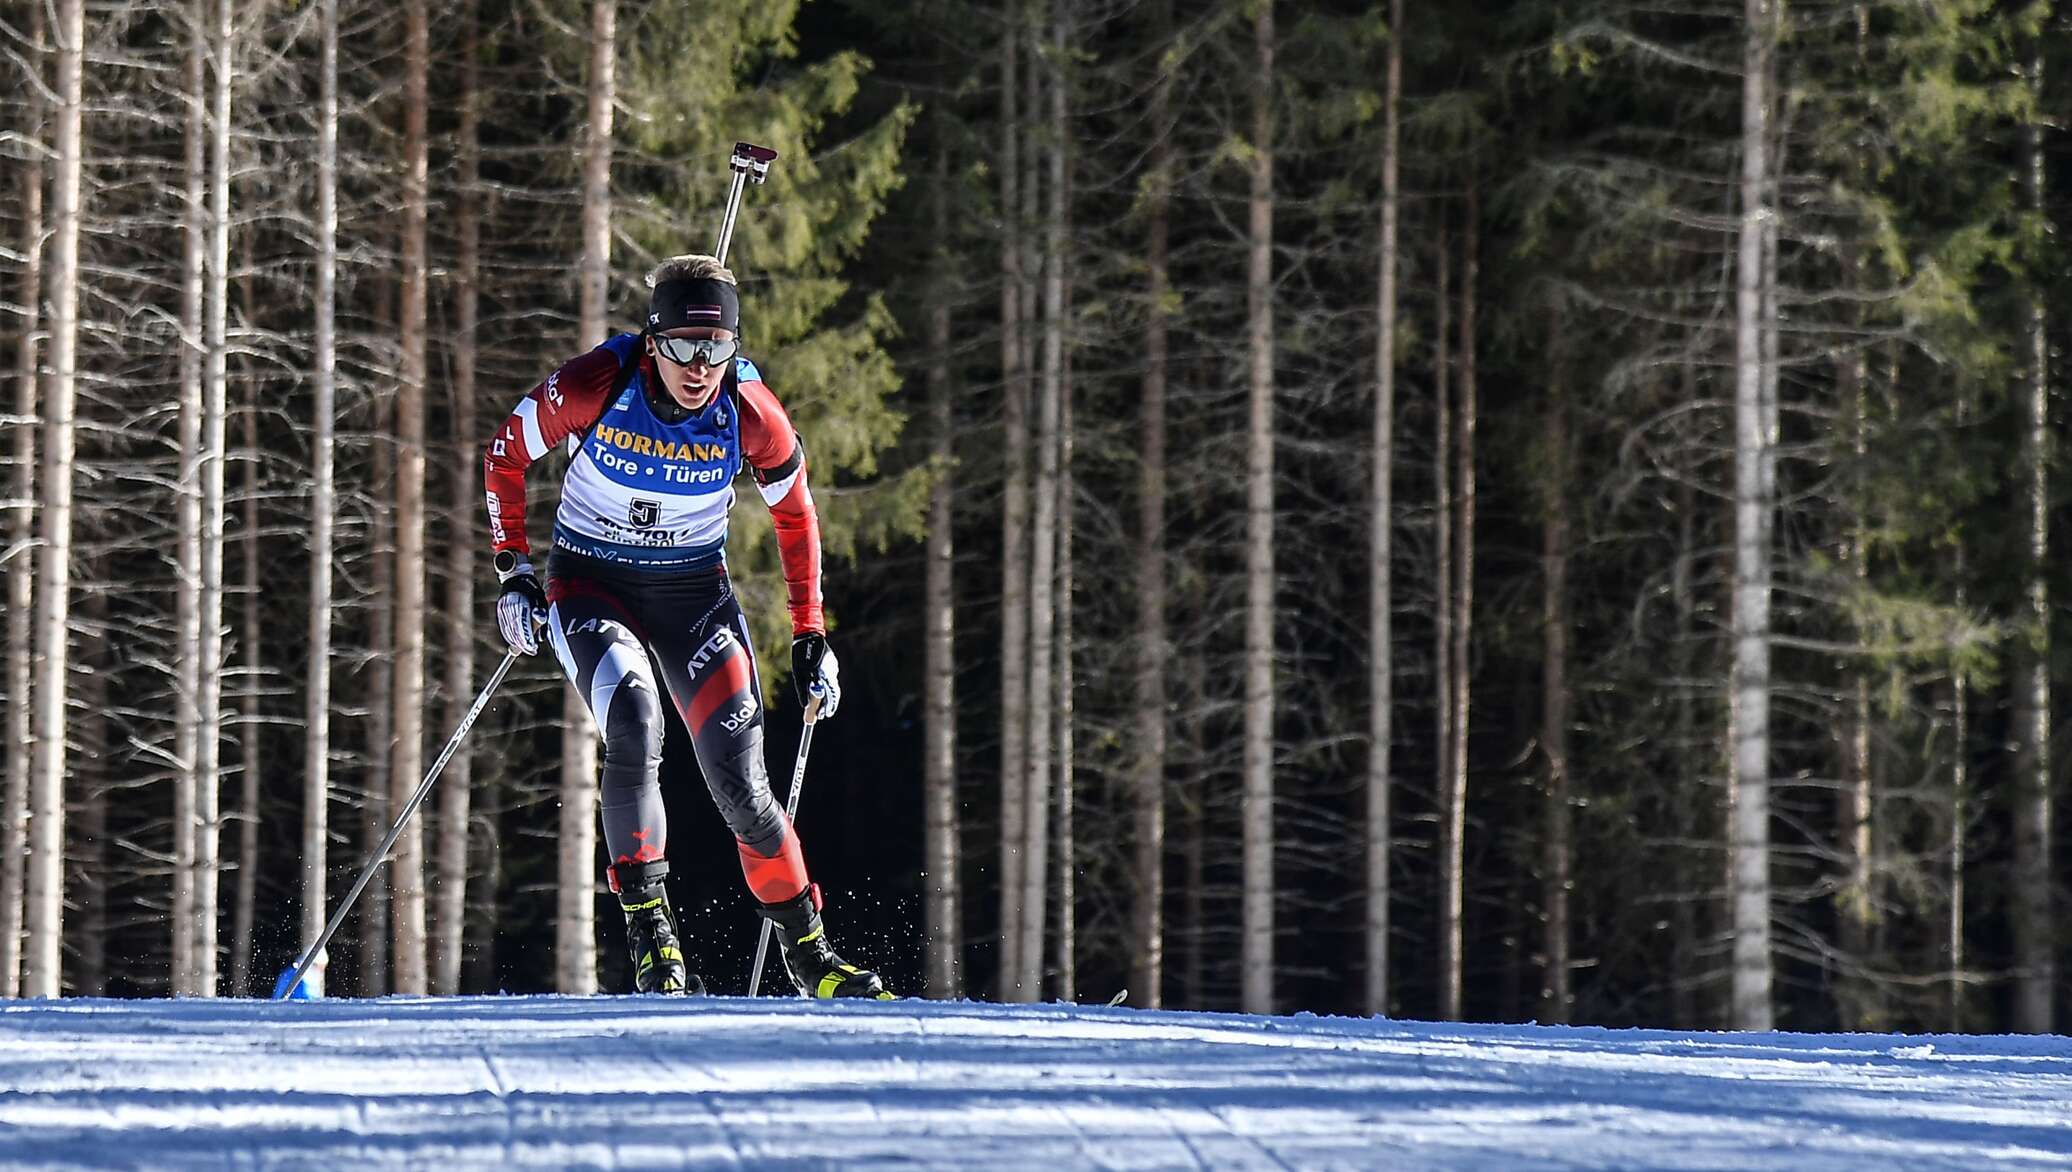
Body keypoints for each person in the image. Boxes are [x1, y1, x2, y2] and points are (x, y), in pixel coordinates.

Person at [482, 254, 887, 999]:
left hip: (693, 598)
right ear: (653, 339)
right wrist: (515, 572)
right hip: (592, 587)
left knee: (741, 783)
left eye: (718, 348)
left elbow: (795, 514)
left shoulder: (752, 413)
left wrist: (809, 632)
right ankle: (652, 941)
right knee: (635, 722)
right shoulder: (594, 384)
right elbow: (506, 454)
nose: (699, 367)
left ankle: (813, 957)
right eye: (683, 348)